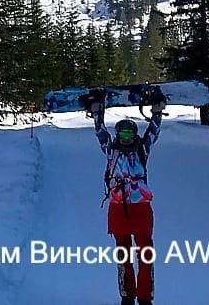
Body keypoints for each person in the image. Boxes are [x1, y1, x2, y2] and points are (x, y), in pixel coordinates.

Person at [90, 94, 164, 305]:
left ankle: (145, 297)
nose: (125, 138)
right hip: (118, 209)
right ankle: (127, 296)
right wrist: (96, 113)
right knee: (123, 254)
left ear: (134, 135)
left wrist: (157, 113)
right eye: (122, 134)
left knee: (145, 253)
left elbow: (153, 134)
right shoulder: (111, 151)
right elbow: (100, 133)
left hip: (141, 209)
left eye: (129, 134)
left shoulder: (141, 150)